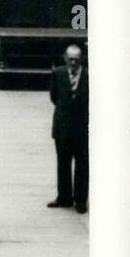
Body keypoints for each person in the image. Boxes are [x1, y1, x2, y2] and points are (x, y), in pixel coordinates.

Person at [47, 43, 88, 214]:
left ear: (82, 60)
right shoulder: (57, 74)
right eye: (70, 59)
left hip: (81, 129)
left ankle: (80, 201)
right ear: (65, 59)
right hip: (62, 127)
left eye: (76, 60)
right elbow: (54, 97)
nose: (73, 63)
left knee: (82, 165)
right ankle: (64, 197)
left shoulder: (88, 77)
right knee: (63, 164)